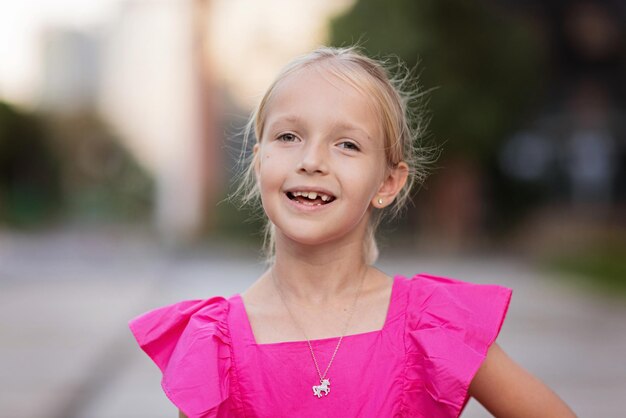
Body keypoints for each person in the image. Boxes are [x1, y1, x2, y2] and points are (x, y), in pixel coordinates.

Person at [128, 45, 576, 417]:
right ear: (259, 158)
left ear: (387, 183)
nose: (312, 160)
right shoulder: (213, 344)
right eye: (289, 137)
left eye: (347, 144)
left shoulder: (431, 323)